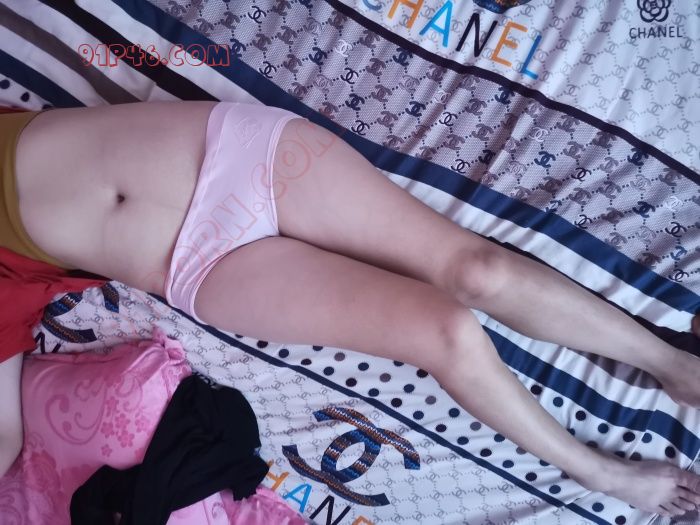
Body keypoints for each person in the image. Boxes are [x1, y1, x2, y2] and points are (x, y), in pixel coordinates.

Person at [1, 100, 699, 518]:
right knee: (443, 331)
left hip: (233, 155)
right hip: (199, 269)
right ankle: (596, 469)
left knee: (476, 270)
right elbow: (6, 433)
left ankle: (670, 362)